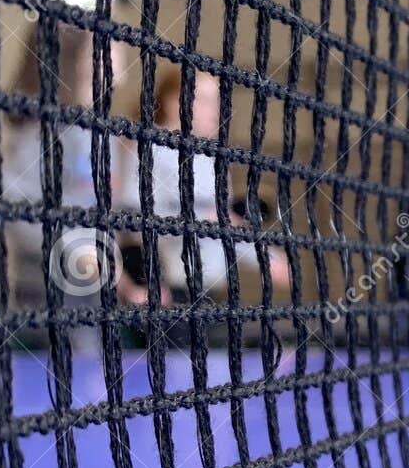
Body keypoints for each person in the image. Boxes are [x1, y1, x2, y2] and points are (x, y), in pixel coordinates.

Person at [2, 27, 152, 343]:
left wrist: (126, 279)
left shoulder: (104, 136)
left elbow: (106, 218)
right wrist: (72, 246)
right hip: (46, 289)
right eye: (105, 50)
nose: (119, 60)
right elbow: (14, 206)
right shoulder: (42, 135)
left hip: (92, 292)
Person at [120, 67, 289, 305]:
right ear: (173, 102)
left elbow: (225, 223)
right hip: (169, 288)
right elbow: (132, 214)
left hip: (213, 290)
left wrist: (265, 257)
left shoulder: (213, 158)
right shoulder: (149, 148)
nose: (215, 109)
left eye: (217, 100)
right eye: (205, 100)